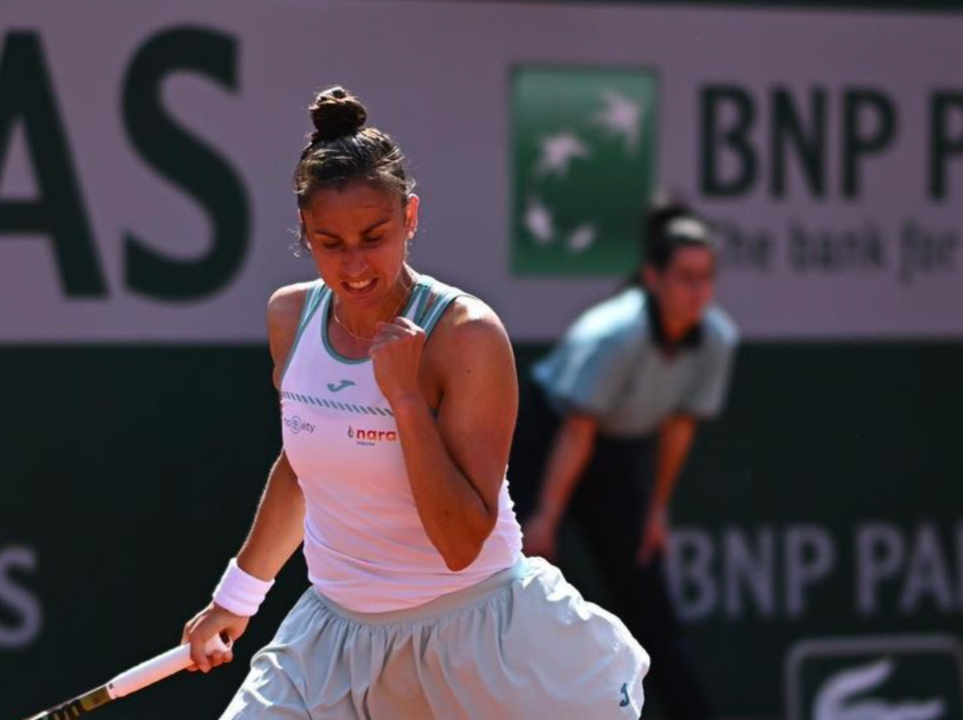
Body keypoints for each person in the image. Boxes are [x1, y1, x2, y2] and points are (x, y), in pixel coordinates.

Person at [180, 86, 649, 720]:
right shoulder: (290, 316)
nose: (353, 266)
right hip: (333, 641)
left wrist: (403, 399)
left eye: (373, 236)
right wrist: (237, 596)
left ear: (411, 217)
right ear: (304, 234)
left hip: (477, 644)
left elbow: (460, 541)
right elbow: (304, 468)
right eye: (329, 242)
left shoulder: (467, 335)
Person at [507, 200, 738, 720]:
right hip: (548, 447)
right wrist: (546, 517)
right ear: (653, 278)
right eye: (684, 277)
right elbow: (577, 430)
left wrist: (656, 510)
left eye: (706, 278)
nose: (697, 291)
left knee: (651, 609)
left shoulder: (716, 339)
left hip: (615, 458)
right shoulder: (613, 333)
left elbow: (678, 426)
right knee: (516, 596)